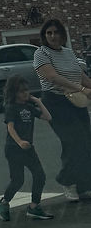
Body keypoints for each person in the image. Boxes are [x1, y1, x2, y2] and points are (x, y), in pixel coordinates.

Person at [32, 18, 91, 202]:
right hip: (55, 102)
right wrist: (81, 89)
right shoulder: (41, 54)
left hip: (76, 102)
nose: (52, 36)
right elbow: (52, 77)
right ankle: (67, 181)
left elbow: (80, 76)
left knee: (86, 142)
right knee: (73, 141)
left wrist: (87, 88)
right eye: (48, 33)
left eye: (56, 32)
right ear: (44, 36)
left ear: (62, 35)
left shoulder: (68, 53)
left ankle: (84, 186)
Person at [0, 76, 52, 221]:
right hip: (14, 149)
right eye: (21, 91)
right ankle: (4, 202)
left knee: (40, 175)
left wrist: (38, 102)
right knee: (18, 180)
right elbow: (10, 127)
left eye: (27, 90)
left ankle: (34, 207)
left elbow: (47, 117)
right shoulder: (11, 108)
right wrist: (19, 141)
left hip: (28, 149)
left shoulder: (29, 107)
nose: (25, 94)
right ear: (14, 93)